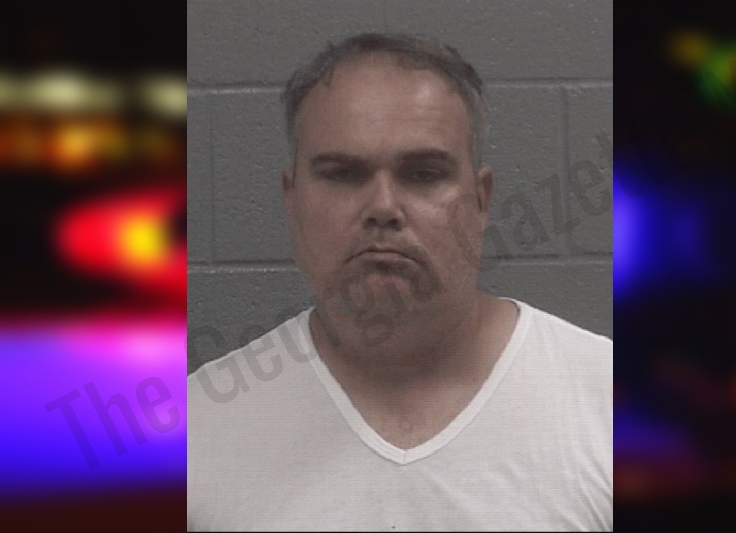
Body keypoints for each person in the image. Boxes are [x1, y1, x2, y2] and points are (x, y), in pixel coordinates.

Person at [188, 33, 612, 531]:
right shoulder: (195, 431)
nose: (383, 208)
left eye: (424, 173)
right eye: (342, 174)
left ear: (481, 200)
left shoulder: (610, 404)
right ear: (292, 198)